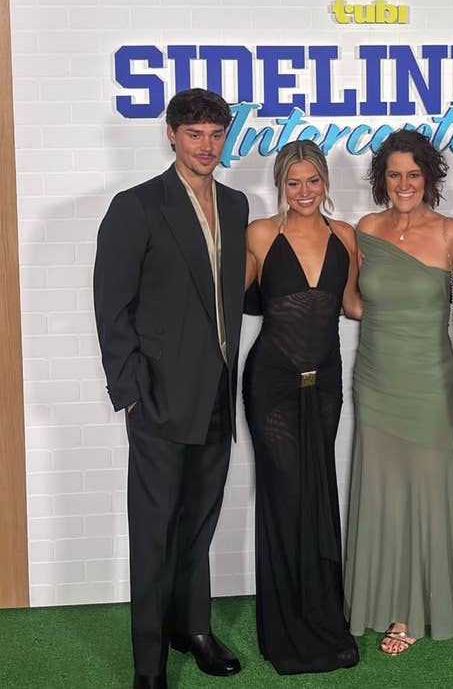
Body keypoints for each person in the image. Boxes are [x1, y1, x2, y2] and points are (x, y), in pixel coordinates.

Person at [93, 88, 247, 689]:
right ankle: (148, 665)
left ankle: (194, 628)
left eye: (215, 134)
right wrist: (130, 390)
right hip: (157, 396)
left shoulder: (234, 204)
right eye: (194, 135)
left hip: (217, 394)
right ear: (172, 136)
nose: (206, 146)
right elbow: (112, 305)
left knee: (199, 523)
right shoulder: (136, 206)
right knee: (154, 534)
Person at [344, 128, 453, 655]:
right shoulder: (366, 228)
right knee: (381, 493)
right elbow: (351, 302)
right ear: (382, 178)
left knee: (425, 493)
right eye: (394, 174)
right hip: (376, 378)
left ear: (429, 178)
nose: (403, 184)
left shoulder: (451, 232)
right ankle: (380, 604)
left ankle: (418, 610)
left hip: (429, 383)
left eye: (413, 174)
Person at [243, 140, 361, 674]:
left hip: (326, 384)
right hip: (272, 384)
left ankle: (322, 616)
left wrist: (427, 296)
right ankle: (286, 627)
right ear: (280, 185)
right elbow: (226, 299)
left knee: (317, 492)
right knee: (286, 494)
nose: (305, 191)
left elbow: (352, 305)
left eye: (313, 181)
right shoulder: (260, 234)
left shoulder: (346, 236)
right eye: (294, 182)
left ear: (326, 183)